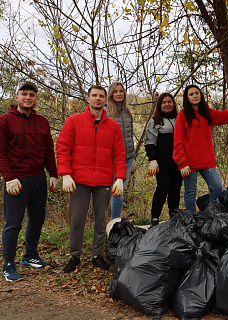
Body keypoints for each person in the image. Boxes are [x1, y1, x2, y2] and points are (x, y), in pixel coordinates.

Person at [56, 85, 126, 273]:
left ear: (105, 100)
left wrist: (119, 178)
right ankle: (75, 255)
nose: (97, 99)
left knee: (101, 219)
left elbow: (119, 154)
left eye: (101, 96)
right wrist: (65, 174)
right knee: (77, 218)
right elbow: (62, 148)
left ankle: (97, 255)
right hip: (78, 179)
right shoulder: (73, 121)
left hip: (103, 180)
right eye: (94, 95)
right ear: (88, 99)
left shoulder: (113, 127)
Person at [0, 82, 58, 281]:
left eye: (32, 94)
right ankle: (8, 263)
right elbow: (0, 152)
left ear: (36, 98)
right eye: (24, 94)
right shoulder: (5, 121)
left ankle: (30, 255)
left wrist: (53, 173)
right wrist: (9, 177)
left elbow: (49, 150)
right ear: (16, 97)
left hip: (38, 179)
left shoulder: (42, 121)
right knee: (13, 223)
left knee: (37, 219)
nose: (28, 97)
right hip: (16, 180)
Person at [173, 84, 228, 212]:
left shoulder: (207, 113)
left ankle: (209, 214)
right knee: (190, 193)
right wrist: (181, 163)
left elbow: (226, 115)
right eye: (191, 94)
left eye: (196, 93)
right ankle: (192, 220)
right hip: (189, 163)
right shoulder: (182, 115)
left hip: (207, 160)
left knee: (217, 187)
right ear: (187, 98)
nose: (195, 96)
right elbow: (178, 141)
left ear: (200, 95)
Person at [145, 92, 183, 225]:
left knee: (176, 189)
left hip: (178, 162)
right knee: (162, 187)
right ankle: (155, 218)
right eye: (163, 102)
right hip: (162, 162)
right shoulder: (155, 121)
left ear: (174, 103)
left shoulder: (179, 118)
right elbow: (149, 142)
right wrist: (152, 159)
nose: (167, 104)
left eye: (169, 102)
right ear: (159, 105)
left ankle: (174, 217)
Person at [106, 82, 136, 220]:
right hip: (111, 158)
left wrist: (133, 158)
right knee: (112, 190)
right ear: (111, 94)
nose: (119, 94)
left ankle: (115, 221)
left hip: (128, 157)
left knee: (118, 191)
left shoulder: (127, 111)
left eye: (121, 91)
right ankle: (110, 222)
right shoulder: (106, 111)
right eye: (115, 91)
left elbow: (130, 135)